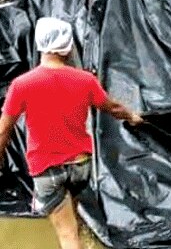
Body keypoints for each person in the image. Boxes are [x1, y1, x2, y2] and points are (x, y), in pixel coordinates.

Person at [0, 17, 143, 249]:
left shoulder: (22, 84)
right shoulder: (85, 80)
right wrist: (133, 117)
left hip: (48, 171)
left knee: (67, 237)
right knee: (70, 218)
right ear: (67, 46)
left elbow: (3, 129)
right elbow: (113, 107)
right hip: (81, 167)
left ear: (40, 44)